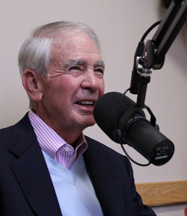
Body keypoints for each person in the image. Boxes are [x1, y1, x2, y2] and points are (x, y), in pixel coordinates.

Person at [0, 21, 156, 216]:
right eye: (75, 68)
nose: (93, 83)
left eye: (98, 71)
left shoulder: (115, 164)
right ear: (34, 84)